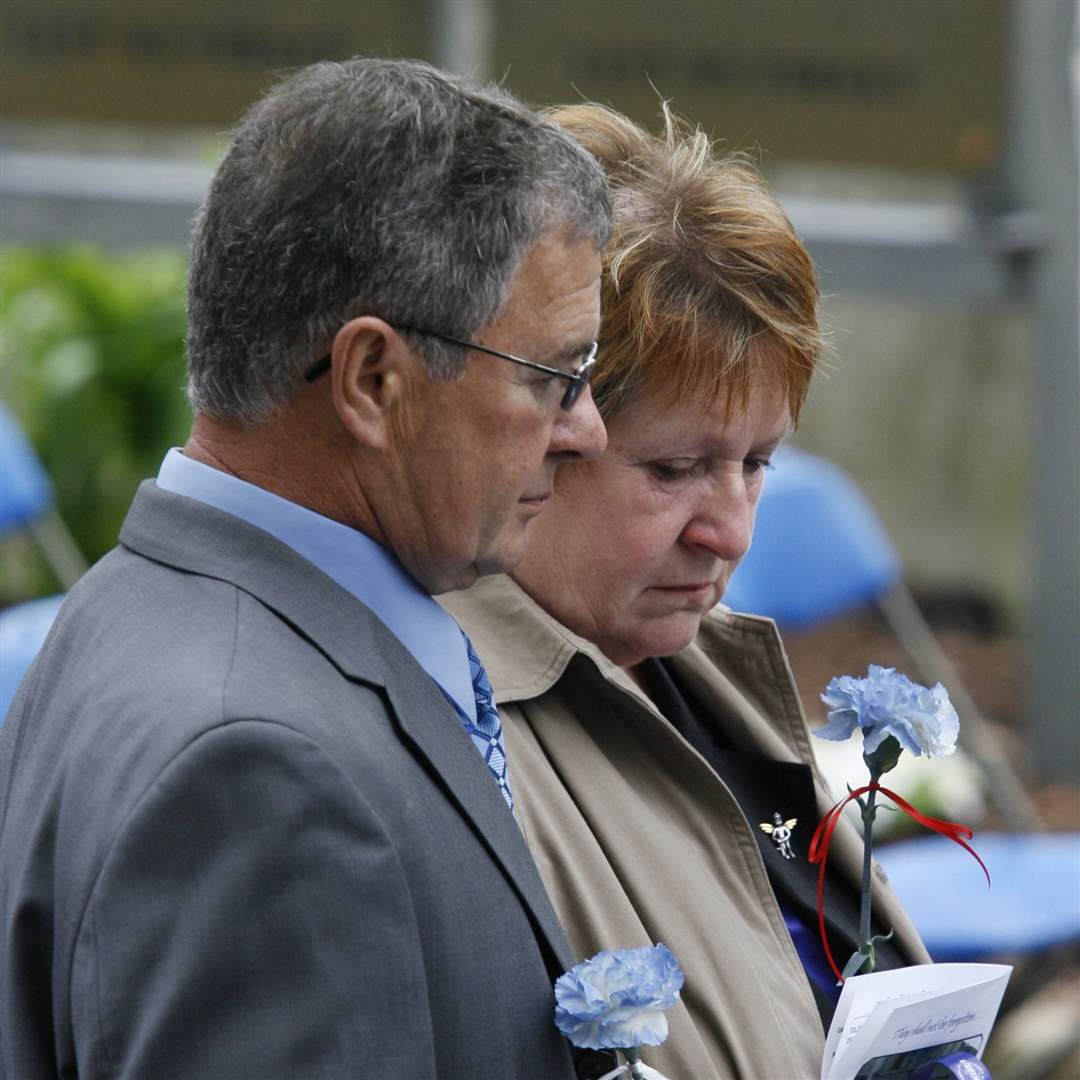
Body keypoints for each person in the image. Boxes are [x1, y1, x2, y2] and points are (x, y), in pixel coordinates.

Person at [0, 59, 616, 1079]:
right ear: (374, 379)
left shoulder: (128, 604)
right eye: (559, 378)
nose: (585, 432)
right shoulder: (258, 767)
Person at [442, 103, 930, 1079]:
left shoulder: (695, 661)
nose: (731, 530)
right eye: (673, 470)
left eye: (756, 463)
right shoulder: (447, 734)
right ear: (528, 431)